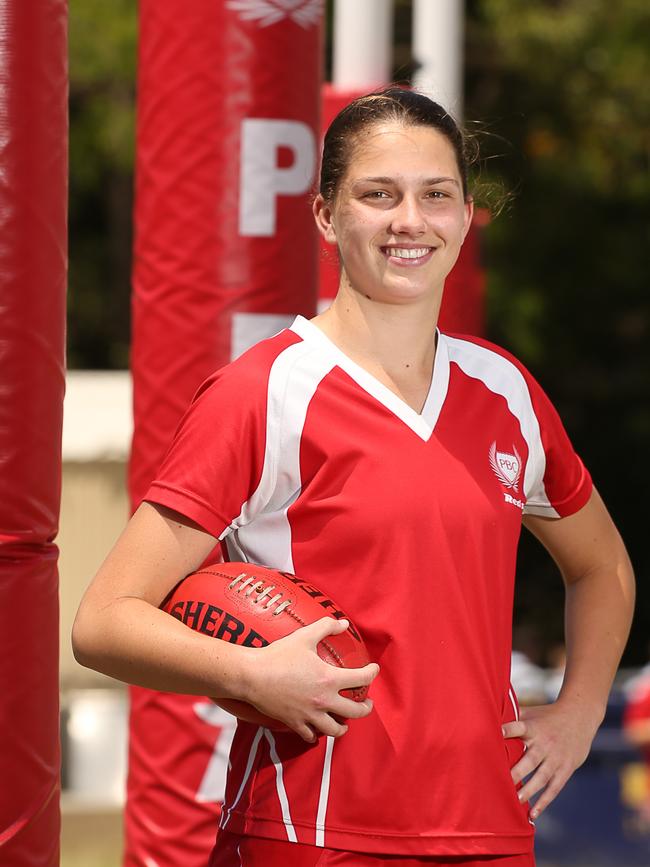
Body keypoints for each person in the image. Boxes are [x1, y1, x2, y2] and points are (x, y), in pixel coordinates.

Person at [72, 88, 635, 867]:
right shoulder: (263, 391)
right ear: (327, 217)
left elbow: (602, 566)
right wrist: (248, 670)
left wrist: (576, 715)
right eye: (379, 194)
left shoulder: (506, 390)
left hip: (491, 829)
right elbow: (104, 619)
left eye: (436, 194)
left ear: (466, 215)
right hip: (310, 830)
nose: (411, 220)